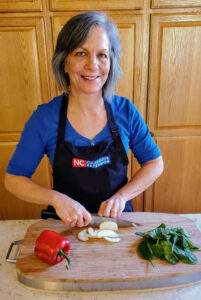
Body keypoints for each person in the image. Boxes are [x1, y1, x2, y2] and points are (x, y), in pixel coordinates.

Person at [4, 11, 163, 228]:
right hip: (65, 228)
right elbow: (14, 179)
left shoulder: (126, 111)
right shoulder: (43, 119)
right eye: (80, 53)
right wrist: (56, 199)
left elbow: (155, 163)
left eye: (102, 55)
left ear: (111, 62)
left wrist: (121, 197)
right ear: (64, 63)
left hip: (116, 225)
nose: (92, 64)